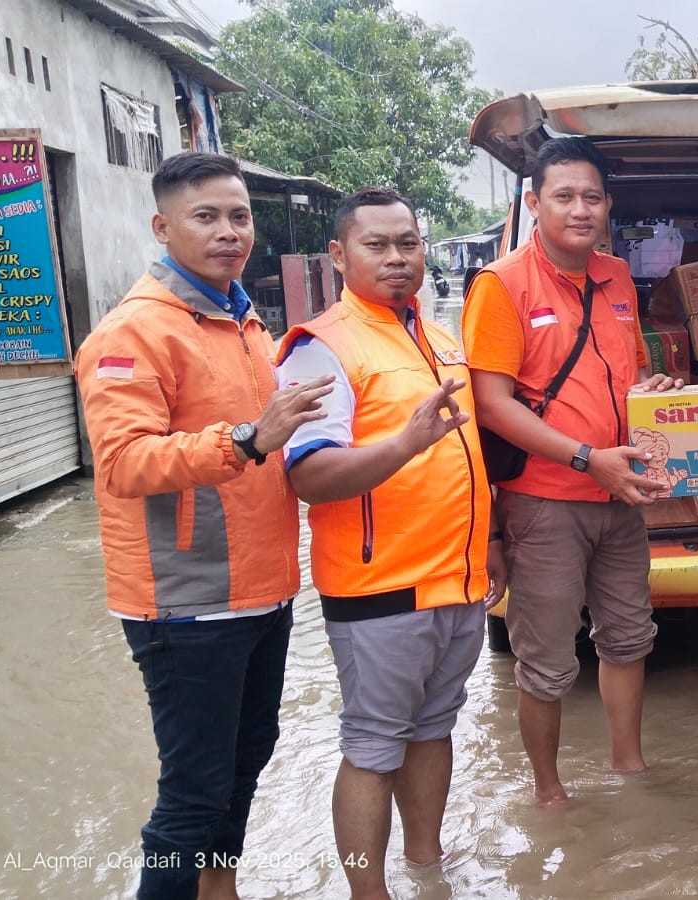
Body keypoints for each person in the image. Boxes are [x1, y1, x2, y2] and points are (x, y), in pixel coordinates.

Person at [74, 152, 333, 900]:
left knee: (246, 760)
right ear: (163, 227)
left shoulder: (242, 321)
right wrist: (249, 438)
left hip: (264, 589)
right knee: (193, 791)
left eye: (240, 216)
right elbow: (123, 463)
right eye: (206, 217)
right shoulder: (133, 333)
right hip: (186, 602)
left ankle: (220, 891)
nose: (229, 232)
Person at [275, 187, 497, 899]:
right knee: (373, 746)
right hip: (379, 586)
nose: (397, 257)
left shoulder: (439, 339)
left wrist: (490, 544)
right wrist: (404, 443)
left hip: (457, 580)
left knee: (434, 729)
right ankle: (368, 893)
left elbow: (464, 459)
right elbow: (309, 476)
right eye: (377, 244)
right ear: (339, 255)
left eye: (408, 242)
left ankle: (428, 870)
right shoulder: (322, 348)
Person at [461, 137, 678, 807]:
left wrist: (652, 398)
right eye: (564, 196)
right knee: (546, 659)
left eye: (591, 197)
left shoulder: (617, 277)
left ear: (608, 204)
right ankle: (549, 795)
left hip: (621, 496)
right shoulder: (501, 285)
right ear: (534, 203)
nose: (579, 210)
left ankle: (630, 770)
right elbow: (491, 404)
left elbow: (626, 373)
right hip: (544, 502)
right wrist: (588, 459)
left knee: (629, 639)